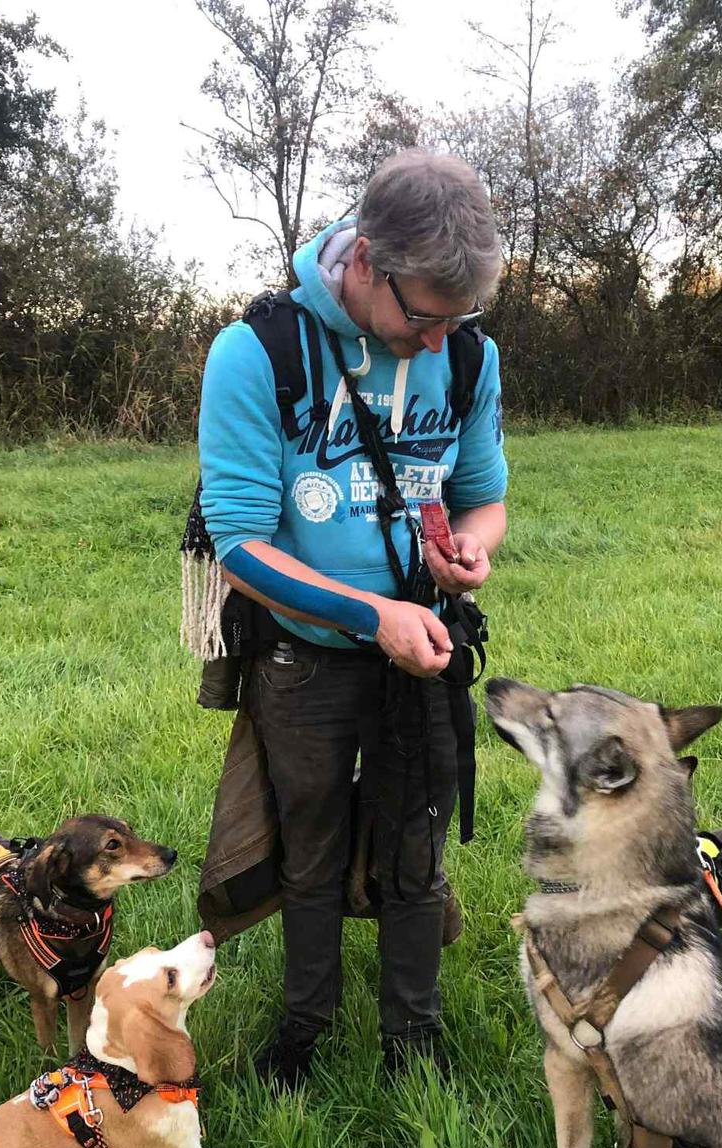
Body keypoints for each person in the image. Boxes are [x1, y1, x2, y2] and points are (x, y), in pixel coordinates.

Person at [197, 148, 507, 1090]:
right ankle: (302, 1033)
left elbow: (482, 495)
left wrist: (472, 551)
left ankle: (414, 1041)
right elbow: (239, 545)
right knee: (312, 850)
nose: (438, 339)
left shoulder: (466, 355)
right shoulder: (257, 351)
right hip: (303, 656)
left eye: (460, 319)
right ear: (365, 261)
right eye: (425, 315)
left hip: (426, 647)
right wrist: (370, 613)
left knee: (417, 846)